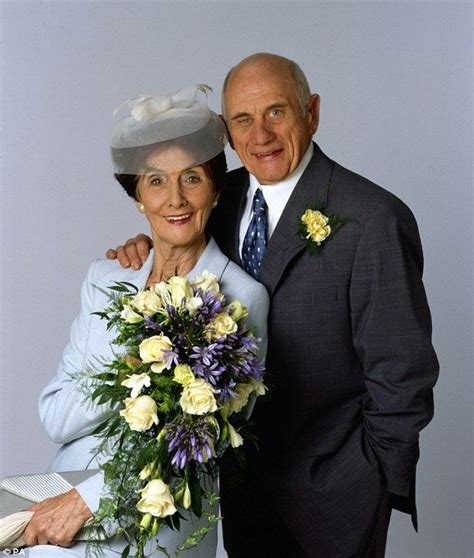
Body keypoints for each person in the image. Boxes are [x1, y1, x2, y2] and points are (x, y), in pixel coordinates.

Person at [108, 53, 439, 558]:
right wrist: (143, 247)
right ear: (225, 129)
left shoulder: (373, 218)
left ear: (313, 112)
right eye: (243, 119)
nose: (259, 135)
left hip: (338, 494)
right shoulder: (217, 199)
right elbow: (182, 245)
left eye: (276, 113)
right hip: (241, 491)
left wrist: (372, 484)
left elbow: (403, 374)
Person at [23, 85, 269, 557]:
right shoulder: (105, 277)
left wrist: (90, 500)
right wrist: (131, 367)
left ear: (216, 189)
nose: (174, 199)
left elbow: (206, 447)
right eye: (156, 180)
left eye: (192, 178)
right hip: (59, 505)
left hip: (159, 521)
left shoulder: (241, 297)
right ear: (137, 195)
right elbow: (55, 417)